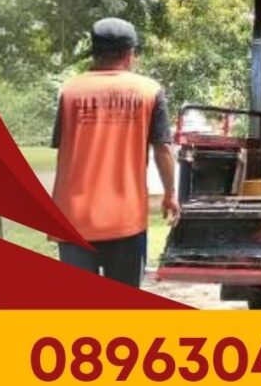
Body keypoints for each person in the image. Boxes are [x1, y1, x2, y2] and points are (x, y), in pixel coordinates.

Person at [51, 17, 180, 287]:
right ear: (130, 53)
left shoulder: (70, 90)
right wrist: (170, 194)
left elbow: (64, 145)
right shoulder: (149, 91)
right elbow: (163, 149)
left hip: (73, 219)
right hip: (125, 220)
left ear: (94, 51)